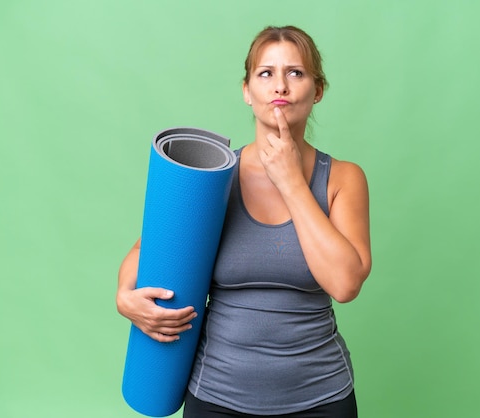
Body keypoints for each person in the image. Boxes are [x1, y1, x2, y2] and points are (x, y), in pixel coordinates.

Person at [117, 25, 372, 418]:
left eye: (296, 73)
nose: (280, 87)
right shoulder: (215, 178)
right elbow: (146, 252)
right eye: (266, 73)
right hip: (216, 396)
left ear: (317, 90)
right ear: (247, 91)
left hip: (322, 398)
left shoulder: (343, 178)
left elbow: (345, 283)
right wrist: (125, 298)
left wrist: (290, 182)